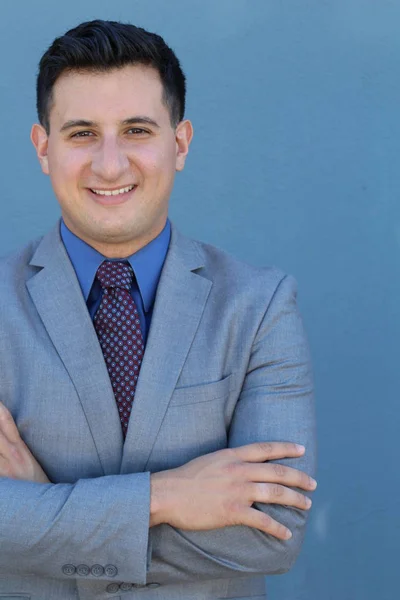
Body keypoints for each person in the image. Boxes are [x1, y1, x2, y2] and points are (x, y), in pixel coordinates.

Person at [0, 19, 317, 600]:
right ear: (44, 148)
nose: (111, 164)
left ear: (181, 142)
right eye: (82, 134)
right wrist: (169, 496)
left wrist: (41, 514)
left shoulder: (260, 306)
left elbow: (275, 536)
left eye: (137, 129)